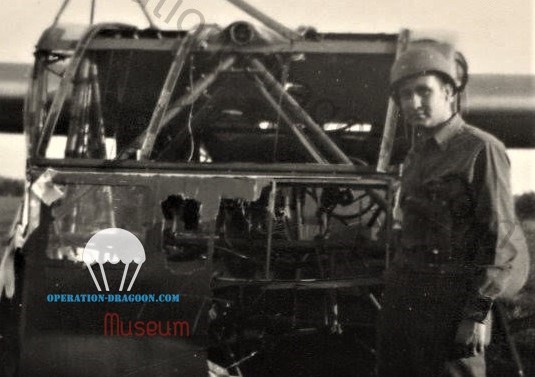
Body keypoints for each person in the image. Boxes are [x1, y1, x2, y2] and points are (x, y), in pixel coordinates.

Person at [377, 40, 528, 376]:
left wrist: (476, 315)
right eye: (404, 95)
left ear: (448, 92)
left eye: (423, 91)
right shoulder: (418, 155)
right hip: (407, 300)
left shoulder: (481, 150)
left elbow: (500, 241)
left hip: (452, 303)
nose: (413, 103)